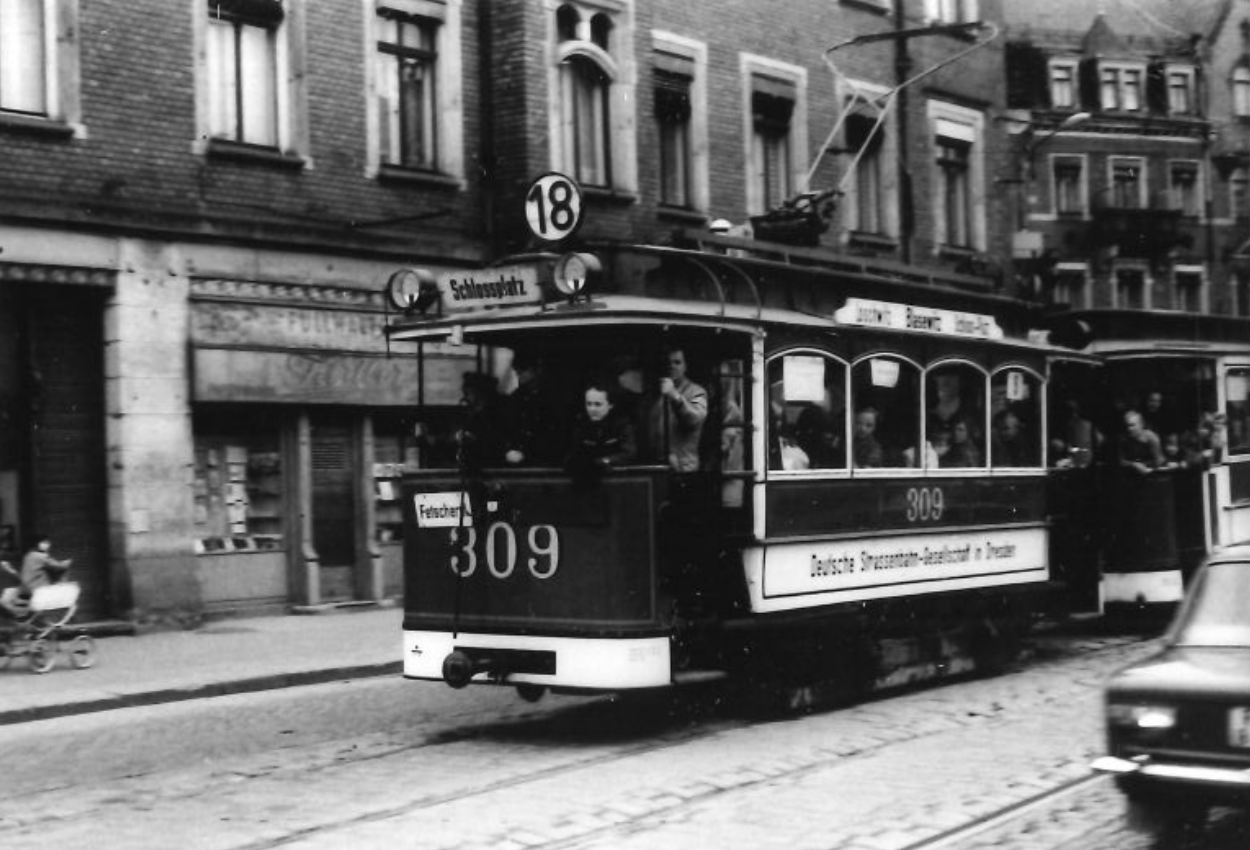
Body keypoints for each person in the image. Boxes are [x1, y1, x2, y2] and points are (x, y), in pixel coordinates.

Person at [647, 346, 708, 472]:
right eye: (668, 363)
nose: (672, 366)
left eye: (677, 362)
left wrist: (674, 396)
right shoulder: (657, 394)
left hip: (683, 467)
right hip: (660, 466)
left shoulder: (697, 392)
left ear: (686, 366)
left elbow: (695, 420)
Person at [565, 381, 637, 474]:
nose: (592, 409)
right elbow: (571, 455)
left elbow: (629, 454)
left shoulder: (622, 424)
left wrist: (603, 461)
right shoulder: (581, 424)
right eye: (588, 404)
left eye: (598, 404)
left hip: (616, 478)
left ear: (611, 405)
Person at [502, 353, 555, 467]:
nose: (519, 375)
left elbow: (552, 434)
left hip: (543, 461)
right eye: (517, 371)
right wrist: (509, 450)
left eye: (524, 370)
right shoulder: (515, 399)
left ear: (537, 370)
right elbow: (507, 429)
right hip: (514, 460)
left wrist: (527, 454)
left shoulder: (551, 398)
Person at [455, 372, 504, 469]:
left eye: (467, 393)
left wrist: (474, 439)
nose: (465, 398)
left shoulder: (496, 414)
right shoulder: (471, 414)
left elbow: (497, 441)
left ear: (480, 394)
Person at [1117, 409, 1163, 474]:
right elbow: (1121, 461)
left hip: (1151, 474)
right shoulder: (1123, 438)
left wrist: (1143, 465)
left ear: (1141, 425)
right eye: (1127, 425)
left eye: (1132, 425)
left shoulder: (1151, 437)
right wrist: (1134, 464)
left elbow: (1159, 460)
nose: (1129, 429)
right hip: (1131, 475)